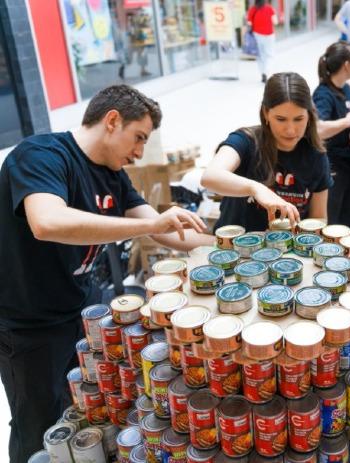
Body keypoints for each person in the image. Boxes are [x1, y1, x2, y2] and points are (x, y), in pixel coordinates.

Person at [0, 85, 211, 463]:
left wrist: (229, 245)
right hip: (26, 322)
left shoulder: (113, 175)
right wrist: (143, 226)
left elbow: (162, 228)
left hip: (81, 307)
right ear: (112, 120)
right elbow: (46, 222)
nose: (139, 152)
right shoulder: (40, 154)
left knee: (87, 408)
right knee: (38, 426)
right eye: (139, 138)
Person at [202, 73, 331, 232]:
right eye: (281, 119)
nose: (290, 130)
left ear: (309, 116)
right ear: (265, 113)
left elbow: (318, 219)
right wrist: (256, 189)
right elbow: (210, 176)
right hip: (234, 249)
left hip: (286, 252)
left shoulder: (316, 155)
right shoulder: (245, 141)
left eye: (298, 119)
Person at [313, 42, 350, 229]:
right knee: (333, 219)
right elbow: (318, 129)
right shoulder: (323, 94)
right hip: (334, 166)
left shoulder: (346, 88)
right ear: (346, 65)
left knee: (348, 217)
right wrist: (348, 122)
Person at [247, 0, 277, 83]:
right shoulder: (269, 8)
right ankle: (267, 72)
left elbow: (249, 23)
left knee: (260, 55)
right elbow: (275, 22)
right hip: (269, 35)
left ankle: (263, 73)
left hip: (257, 35)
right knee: (270, 55)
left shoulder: (252, 9)